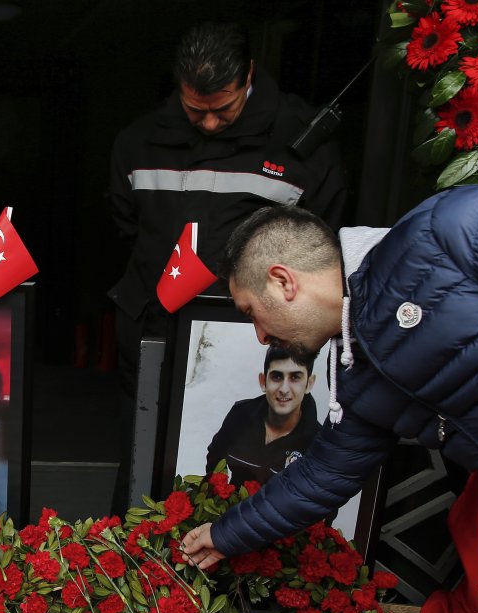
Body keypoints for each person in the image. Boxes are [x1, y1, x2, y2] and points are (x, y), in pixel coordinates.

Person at [180, 186, 478, 613]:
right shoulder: (356, 374)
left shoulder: (445, 231)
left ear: (283, 281)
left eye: (251, 313)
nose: (260, 336)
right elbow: (323, 477)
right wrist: (226, 534)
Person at [108, 21, 345, 506]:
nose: (210, 123)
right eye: (197, 110)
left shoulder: (302, 141)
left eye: (223, 108)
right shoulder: (140, 140)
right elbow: (124, 226)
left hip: (253, 335)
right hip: (153, 324)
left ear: (249, 77)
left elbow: (323, 249)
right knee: (142, 452)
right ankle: (130, 555)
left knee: (227, 460)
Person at [205, 345, 319, 486]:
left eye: (295, 377)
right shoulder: (240, 415)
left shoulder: (317, 443)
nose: (284, 389)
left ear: (309, 383)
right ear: (263, 382)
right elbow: (215, 457)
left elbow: (320, 500)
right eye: (276, 377)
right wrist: (217, 496)